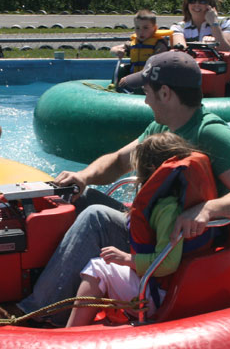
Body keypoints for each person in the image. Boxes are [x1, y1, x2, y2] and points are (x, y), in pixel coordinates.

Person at [0, 50, 230, 326]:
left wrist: (208, 208)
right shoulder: (161, 126)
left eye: (148, 93)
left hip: (171, 243)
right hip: (150, 228)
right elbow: (118, 160)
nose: (146, 100)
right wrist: (83, 176)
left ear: (165, 93)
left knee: (97, 216)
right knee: (80, 198)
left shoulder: (211, 132)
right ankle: (44, 291)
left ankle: (37, 314)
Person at [65, 132, 214, 327]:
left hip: (156, 294)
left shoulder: (167, 210)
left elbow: (168, 263)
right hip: (164, 286)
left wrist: (127, 259)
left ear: (151, 168)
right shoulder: (174, 200)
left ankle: (70, 333)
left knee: (97, 268)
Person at [110, 9, 170, 78]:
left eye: (145, 28)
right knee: (121, 70)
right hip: (134, 78)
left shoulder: (159, 44)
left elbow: (159, 62)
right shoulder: (133, 43)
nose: (141, 32)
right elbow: (113, 49)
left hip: (151, 79)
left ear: (154, 28)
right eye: (137, 28)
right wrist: (117, 51)